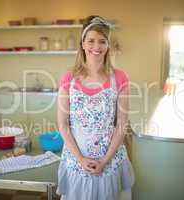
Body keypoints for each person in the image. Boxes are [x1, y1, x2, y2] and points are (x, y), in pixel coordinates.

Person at [56, 15, 135, 200]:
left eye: (102, 41)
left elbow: (122, 124)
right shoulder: (69, 78)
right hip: (77, 160)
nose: (96, 47)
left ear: (108, 46)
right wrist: (81, 159)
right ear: (83, 44)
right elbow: (62, 124)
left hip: (109, 161)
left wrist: (104, 161)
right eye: (91, 41)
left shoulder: (120, 77)